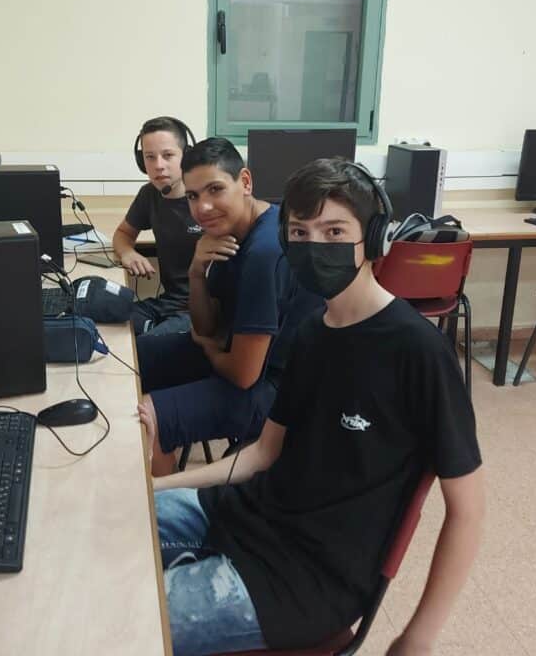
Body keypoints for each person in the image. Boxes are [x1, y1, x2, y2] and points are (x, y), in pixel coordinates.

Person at [145, 158, 485, 656]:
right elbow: (262, 454)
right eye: (300, 233)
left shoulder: (418, 352)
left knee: (124, 615)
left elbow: (468, 510)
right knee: (109, 524)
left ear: (373, 240)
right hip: (245, 516)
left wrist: (418, 637)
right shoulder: (311, 332)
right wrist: (154, 488)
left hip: (305, 580)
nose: (314, 246)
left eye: (334, 231)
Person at [137, 138, 321, 477]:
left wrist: (208, 346)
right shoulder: (229, 233)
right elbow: (207, 327)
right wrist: (196, 271)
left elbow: (243, 374)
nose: (203, 207)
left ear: (245, 182)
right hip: (236, 356)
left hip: (278, 390)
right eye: (193, 196)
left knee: (150, 417)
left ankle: (163, 506)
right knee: (132, 360)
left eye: (215, 189)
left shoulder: (265, 252)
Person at [113, 116, 202, 337]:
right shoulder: (149, 194)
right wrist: (127, 252)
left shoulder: (206, 199)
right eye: (150, 157)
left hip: (201, 311)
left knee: (142, 348)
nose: (158, 165)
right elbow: (123, 233)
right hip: (168, 303)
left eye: (168, 155)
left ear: (186, 156)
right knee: (108, 324)